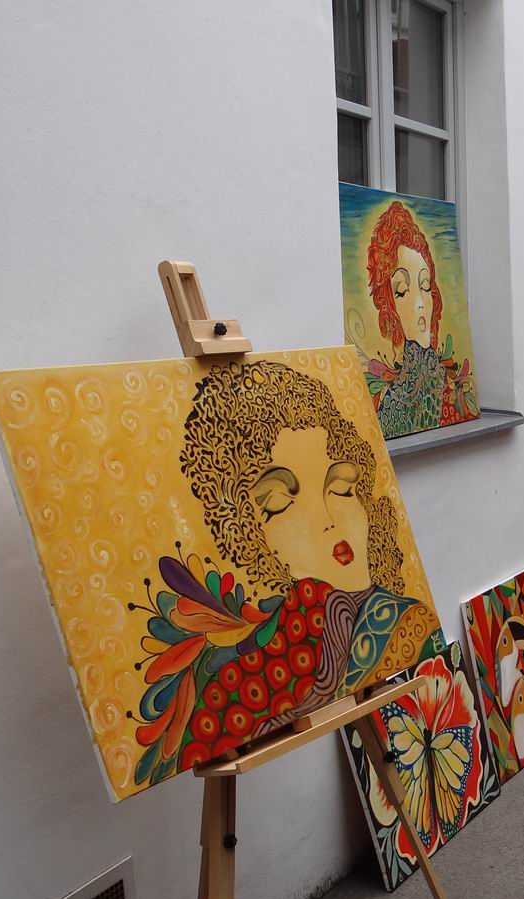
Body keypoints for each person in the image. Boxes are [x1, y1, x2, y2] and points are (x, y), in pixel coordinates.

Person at [134, 360, 448, 782]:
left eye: (342, 489)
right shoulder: (242, 672)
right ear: (248, 534)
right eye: (282, 503)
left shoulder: (408, 624)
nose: (328, 520)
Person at [366, 200, 480, 436]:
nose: (420, 302)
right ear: (388, 307)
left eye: (425, 286)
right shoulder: (391, 406)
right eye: (401, 290)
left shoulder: (452, 389)